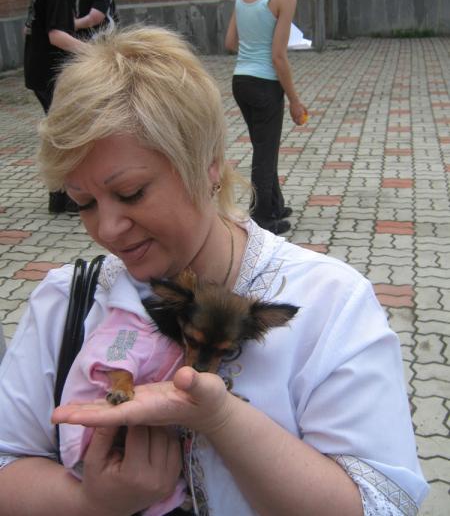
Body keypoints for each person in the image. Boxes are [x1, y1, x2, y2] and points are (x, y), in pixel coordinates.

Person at [0, 26, 428, 516]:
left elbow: (382, 503)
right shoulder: (66, 302)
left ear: (209, 166)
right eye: (84, 202)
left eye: (131, 192)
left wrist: (222, 420)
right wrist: (90, 502)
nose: (108, 229)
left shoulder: (328, 304)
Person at [225, 0, 309, 235]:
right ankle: (262, 219)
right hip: (265, 84)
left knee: (263, 146)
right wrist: (295, 100)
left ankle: (274, 204)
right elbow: (278, 57)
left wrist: (252, 51)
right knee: (265, 151)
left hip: (241, 80)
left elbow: (230, 42)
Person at [24, 0, 84, 215]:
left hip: (40, 71)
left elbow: (30, 29)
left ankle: (59, 197)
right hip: (50, 74)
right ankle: (69, 197)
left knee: (59, 134)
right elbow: (57, 36)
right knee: (67, 135)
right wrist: (93, 52)